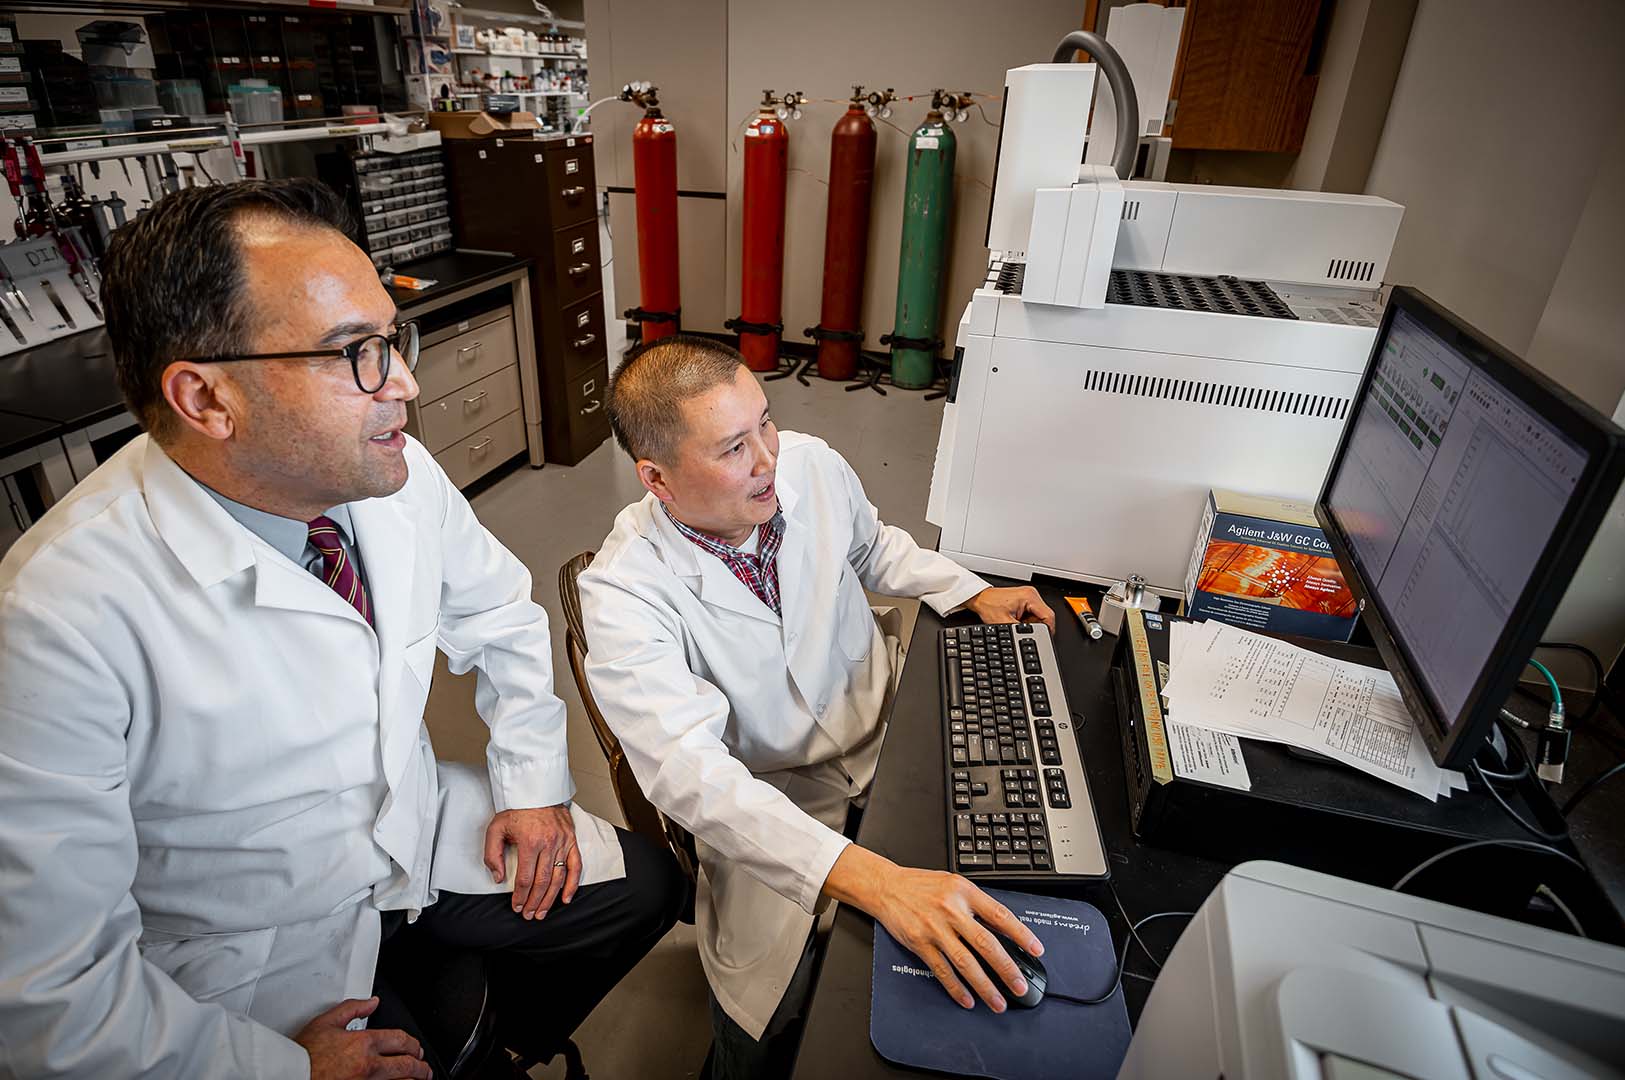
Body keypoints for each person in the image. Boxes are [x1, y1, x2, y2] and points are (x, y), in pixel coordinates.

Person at [0, 179, 684, 1080]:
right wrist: (278, 1069)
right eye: (354, 353)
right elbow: (51, 992)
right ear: (206, 398)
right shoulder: (55, 620)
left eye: (389, 339)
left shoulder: (387, 472)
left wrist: (531, 783)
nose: (402, 381)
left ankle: (492, 1043)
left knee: (648, 889)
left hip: (413, 832)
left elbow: (498, 614)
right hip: (248, 944)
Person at [578, 335, 1058, 1076]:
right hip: (774, 789)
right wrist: (876, 881)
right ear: (657, 478)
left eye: (764, 423)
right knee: (763, 1010)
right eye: (734, 447)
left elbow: (873, 547)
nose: (768, 458)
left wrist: (968, 590)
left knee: (1006, 857)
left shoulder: (808, 464)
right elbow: (688, 774)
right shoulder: (622, 592)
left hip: (882, 723)